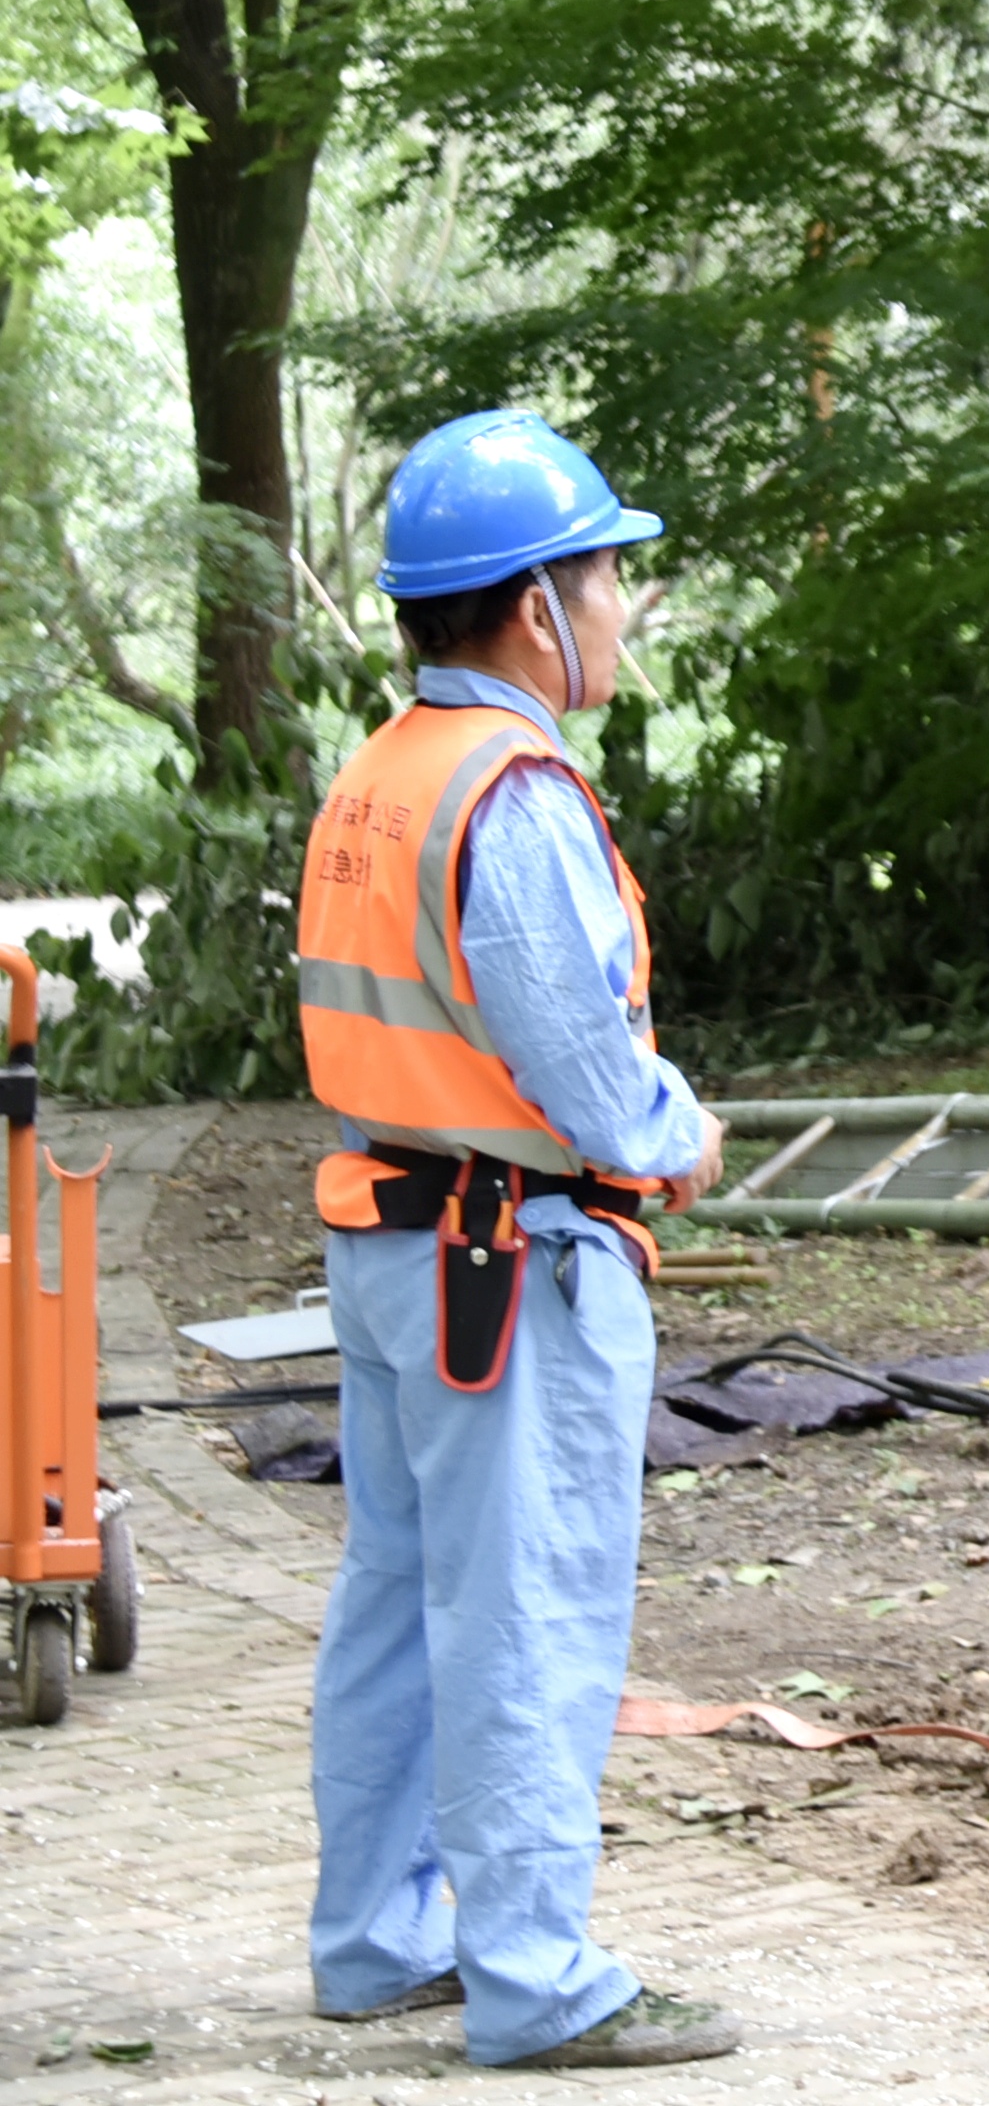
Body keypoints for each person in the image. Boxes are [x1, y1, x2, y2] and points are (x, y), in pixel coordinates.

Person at [296, 410, 738, 2067]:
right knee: (526, 1616)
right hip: (509, 1263)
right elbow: (582, 1068)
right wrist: (674, 1133)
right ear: (532, 604)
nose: (621, 602)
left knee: (402, 1603)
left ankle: (372, 1938)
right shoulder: (517, 792)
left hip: (394, 1243)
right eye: (607, 571)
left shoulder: (386, 768)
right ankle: (538, 1976)